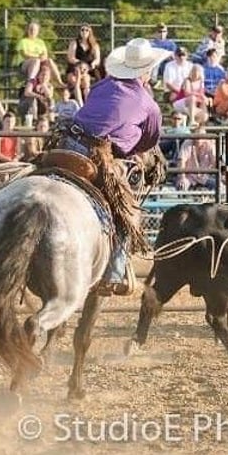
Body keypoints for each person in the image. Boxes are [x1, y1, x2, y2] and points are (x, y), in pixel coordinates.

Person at [59, 37, 171, 296]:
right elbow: (149, 141)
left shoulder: (102, 85)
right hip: (97, 157)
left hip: (66, 142)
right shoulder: (149, 105)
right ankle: (114, 272)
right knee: (126, 210)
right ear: (147, 71)